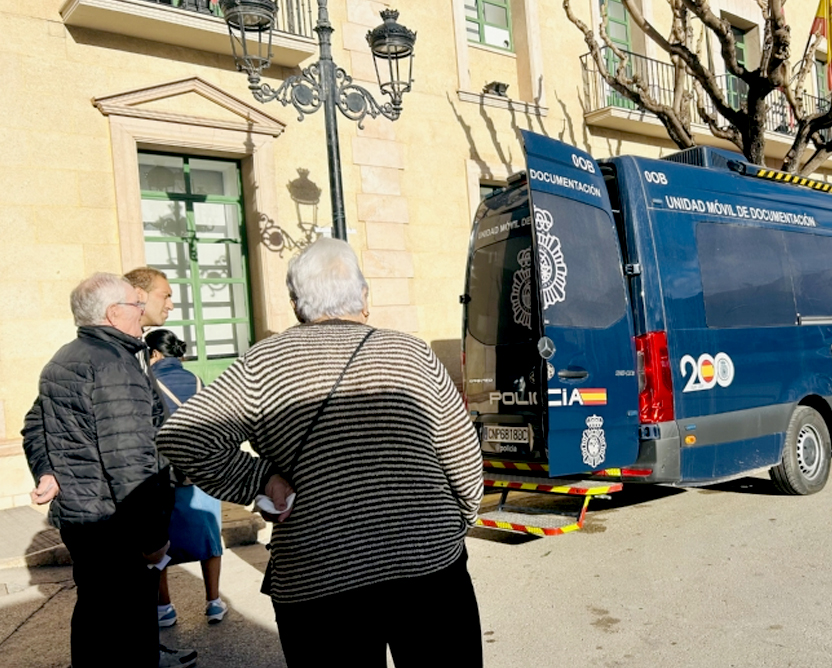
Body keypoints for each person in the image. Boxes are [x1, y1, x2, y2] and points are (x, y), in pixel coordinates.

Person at [157, 238, 485, 667]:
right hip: (428, 565)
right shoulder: (411, 352)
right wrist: (460, 520)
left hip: (317, 573)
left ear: (296, 304)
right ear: (364, 297)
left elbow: (183, 436)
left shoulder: (263, 363)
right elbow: (461, 456)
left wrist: (262, 481)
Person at [21, 272, 197, 668]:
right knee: (124, 626)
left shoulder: (64, 358)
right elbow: (130, 461)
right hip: (115, 522)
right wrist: (153, 538)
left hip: (83, 520)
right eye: (136, 304)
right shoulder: (113, 365)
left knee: (97, 615)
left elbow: (34, 425)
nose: (142, 310)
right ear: (114, 313)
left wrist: (46, 472)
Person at [146, 329, 228, 626]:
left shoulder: (147, 382)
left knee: (157, 542)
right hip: (200, 472)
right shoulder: (196, 380)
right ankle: (214, 602)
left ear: (154, 354)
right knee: (210, 537)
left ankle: (165, 607)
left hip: (163, 475)